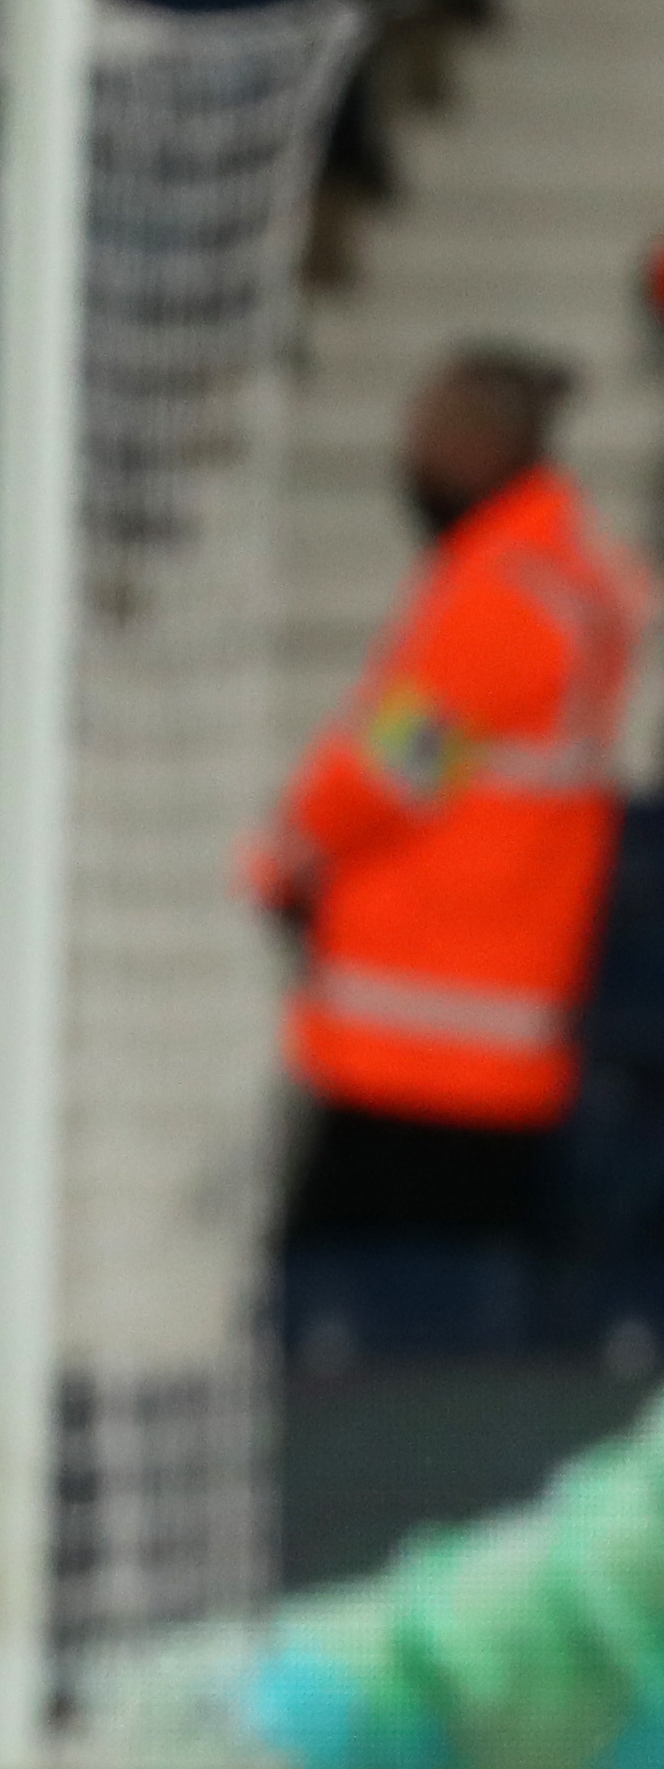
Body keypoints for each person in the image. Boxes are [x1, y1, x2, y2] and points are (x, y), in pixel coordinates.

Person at [248, 346, 647, 1244]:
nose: (409, 457)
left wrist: (280, 858)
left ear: (475, 447)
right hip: (497, 1028)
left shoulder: (499, 595)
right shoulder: (572, 574)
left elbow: (392, 768)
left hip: (414, 1036)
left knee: (345, 1319)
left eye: (424, 435)